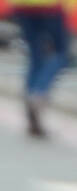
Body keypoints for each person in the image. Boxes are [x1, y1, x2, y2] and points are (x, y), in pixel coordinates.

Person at [10, 0, 72, 137]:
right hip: (50, 6)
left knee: (35, 56)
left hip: (22, 6)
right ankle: (39, 92)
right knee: (61, 54)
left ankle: (30, 98)